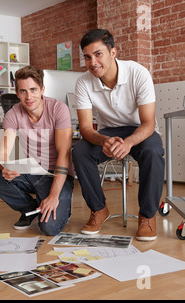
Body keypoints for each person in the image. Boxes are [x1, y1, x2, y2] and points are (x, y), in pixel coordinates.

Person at [72, 29, 165, 241]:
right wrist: (104, 140)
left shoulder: (138, 73)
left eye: (98, 54)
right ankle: (98, 209)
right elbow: (86, 128)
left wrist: (129, 143)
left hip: (139, 129)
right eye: (87, 57)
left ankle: (148, 216)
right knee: (80, 152)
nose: (92, 62)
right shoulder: (83, 82)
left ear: (113, 52)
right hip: (109, 132)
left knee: (153, 152)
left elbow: (149, 122)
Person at [0, 65, 74, 236]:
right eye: (23, 91)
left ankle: (59, 205)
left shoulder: (58, 109)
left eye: (33, 89)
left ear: (42, 89)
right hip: (30, 171)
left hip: (55, 175)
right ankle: (29, 209)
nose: (28, 96)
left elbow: (64, 154)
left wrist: (54, 195)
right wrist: (5, 168)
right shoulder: (13, 114)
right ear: (17, 93)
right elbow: (2, 154)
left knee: (49, 229)